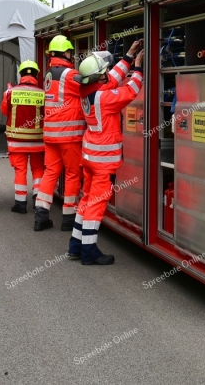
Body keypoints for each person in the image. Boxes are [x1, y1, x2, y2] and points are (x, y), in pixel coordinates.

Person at [36, 36, 142, 232]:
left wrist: (128, 57)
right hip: (68, 134)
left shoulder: (49, 73)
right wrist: (135, 66)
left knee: (50, 172)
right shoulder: (70, 75)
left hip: (50, 133)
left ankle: (41, 214)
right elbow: (104, 85)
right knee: (72, 174)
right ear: (66, 53)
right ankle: (68, 217)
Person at [68, 48, 144, 265]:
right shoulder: (103, 97)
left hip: (91, 157)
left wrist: (128, 57)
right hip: (103, 162)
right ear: (96, 76)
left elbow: (112, 79)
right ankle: (89, 251)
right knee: (96, 204)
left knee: (86, 199)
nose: (107, 73)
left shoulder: (88, 90)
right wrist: (138, 68)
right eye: (104, 71)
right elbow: (130, 91)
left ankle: (75, 246)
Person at [1, 60, 46, 221]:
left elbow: (4, 111)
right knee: (38, 170)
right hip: (37, 141)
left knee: (20, 171)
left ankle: (20, 204)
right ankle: (37, 200)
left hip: (17, 141)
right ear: (35, 74)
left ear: (21, 75)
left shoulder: (11, 92)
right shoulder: (42, 93)